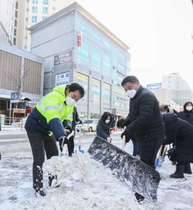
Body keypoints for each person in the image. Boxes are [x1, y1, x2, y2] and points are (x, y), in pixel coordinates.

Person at [25, 83, 85, 197]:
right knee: (39, 158)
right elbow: (53, 116)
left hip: (48, 130)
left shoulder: (69, 104)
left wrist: (67, 129)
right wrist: (60, 135)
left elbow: (67, 118)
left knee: (54, 155)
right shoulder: (53, 97)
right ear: (67, 91)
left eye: (77, 99)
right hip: (35, 128)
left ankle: (53, 180)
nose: (74, 101)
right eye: (73, 97)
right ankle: (38, 187)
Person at [120, 75, 165, 202]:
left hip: (152, 134)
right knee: (144, 162)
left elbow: (144, 118)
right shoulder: (134, 97)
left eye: (129, 87)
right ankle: (143, 189)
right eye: (125, 89)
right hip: (144, 135)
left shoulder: (146, 96)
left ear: (137, 84)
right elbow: (133, 114)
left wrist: (129, 131)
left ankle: (145, 192)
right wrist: (126, 122)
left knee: (147, 163)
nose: (128, 90)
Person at [161, 112, 193, 178]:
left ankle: (179, 173)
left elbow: (169, 139)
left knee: (181, 153)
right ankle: (187, 170)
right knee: (185, 153)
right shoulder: (171, 121)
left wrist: (158, 142)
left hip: (187, 137)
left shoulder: (170, 125)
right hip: (186, 136)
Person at [177, 101, 193, 174]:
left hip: (191, 135)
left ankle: (187, 168)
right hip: (181, 135)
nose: (189, 106)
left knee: (188, 152)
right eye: (187, 105)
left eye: (190, 105)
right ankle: (184, 168)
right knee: (182, 152)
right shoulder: (181, 114)